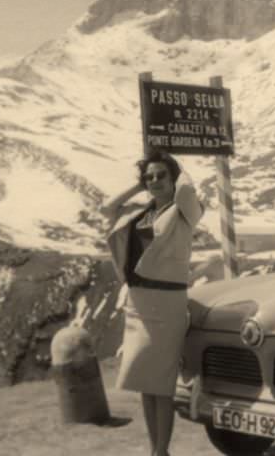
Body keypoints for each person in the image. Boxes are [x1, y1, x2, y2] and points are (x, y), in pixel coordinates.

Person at [104, 151, 203, 456]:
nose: (155, 181)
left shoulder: (186, 210)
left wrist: (174, 164)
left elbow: (186, 187)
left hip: (167, 302)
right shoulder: (139, 213)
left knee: (162, 384)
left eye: (162, 175)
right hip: (138, 303)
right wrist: (139, 185)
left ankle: (162, 450)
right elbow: (106, 207)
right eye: (150, 177)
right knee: (146, 383)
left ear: (173, 178)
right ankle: (154, 450)